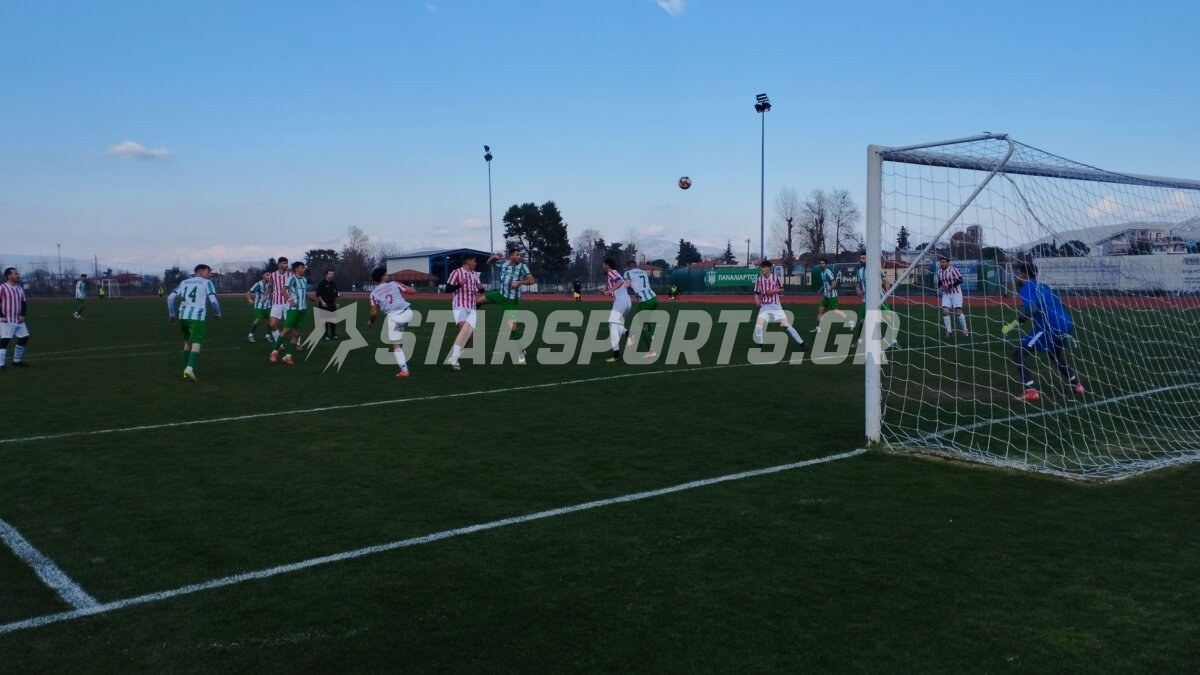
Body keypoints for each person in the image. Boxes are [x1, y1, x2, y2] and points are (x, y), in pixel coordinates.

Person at [1003, 262, 1084, 403]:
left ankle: (1031, 391)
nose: (1016, 276)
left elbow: (1031, 309)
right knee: (1055, 354)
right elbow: (1062, 304)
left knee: (1019, 352)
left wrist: (1013, 325)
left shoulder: (1027, 287)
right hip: (1067, 323)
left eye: (1018, 273)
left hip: (1051, 325)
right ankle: (1077, 385)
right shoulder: (1043, 286)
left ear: (1024, 275)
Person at [167, 264, 222, 382]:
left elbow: (170, 298)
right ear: (201, 272)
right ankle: (189, 369)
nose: (209, 274)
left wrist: (172, 314)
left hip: (183, 316)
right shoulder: (207, 283)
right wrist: (218, 313)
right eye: (208, 271)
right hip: (197, 317)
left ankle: (186, 369)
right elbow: (213, 301)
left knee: (187, 342)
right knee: (196, 342)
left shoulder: (184, 282)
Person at [480, 248, 535, 365]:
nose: (519, 256)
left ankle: (521, 349)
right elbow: (489, 263)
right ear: (511, 256)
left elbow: (531, 280)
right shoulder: (503, 263)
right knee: (477, 302)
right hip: (500, 295)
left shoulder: (522, 267)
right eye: (517, 255)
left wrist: (519, 282)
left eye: (520, 255)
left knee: (512, 328)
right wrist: (494, 257)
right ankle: (469, 320)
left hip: (511, 301)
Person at [368, 267, 416, 378]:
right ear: (383, 276)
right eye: (386, 274)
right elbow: (412, 291)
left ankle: (404, 371)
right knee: (399, 329)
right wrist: (410, 287)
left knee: (396, 345)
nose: (387, 275)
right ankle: (400, 330)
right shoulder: (394, 284)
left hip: (394, 317)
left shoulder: (373, 293)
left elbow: (374, 313)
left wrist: (371, 322)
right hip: (408, 313)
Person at [753, 260, 806, 349]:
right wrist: (757, 300)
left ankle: (801, 342)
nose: (762, 269)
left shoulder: (775, 278)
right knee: (758, 326)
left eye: (763, 267)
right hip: (765, 306)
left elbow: (782, 289)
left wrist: (773, 291)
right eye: (761, 267)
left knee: (785, 325)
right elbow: (756, 292)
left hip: (775, 305)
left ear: (769, 268)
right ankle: (760, 344)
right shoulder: (759, 279)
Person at [444, 256, 484, 370]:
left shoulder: (475, 274)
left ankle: (454, 357)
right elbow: (447, 289)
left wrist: (481, 288)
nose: (475, 263)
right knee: (464, 330)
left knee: (470, 335)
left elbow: (481, 290)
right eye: (474, 261)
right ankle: (454, 358)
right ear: (468, 261)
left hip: (472, 307)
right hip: (459, 305)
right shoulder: (456, 273)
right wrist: (459, 285)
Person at [270, 261, 310, 365]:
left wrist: (310, 298)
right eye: (302, 267)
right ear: (296, 269)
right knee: (286, 330)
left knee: (297, 333)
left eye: (304, 267)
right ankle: (274, 352)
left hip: (303, 309)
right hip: (293, 309)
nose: (304, 269)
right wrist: (290, 300)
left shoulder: (304, 279)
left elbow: (303, 293)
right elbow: (283, 291)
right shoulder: (291, 278)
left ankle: (288, 356)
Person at [623, 260, 659, 357]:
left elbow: (627, 284)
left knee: (643, 327)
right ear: (635, 265)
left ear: (628, 266)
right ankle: (652, 336)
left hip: (645, 301)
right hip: (654, 299)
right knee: (646, 320)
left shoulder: (627, 273)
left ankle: (651, 351)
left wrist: (617, 287)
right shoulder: (643, 272)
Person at [0, 268, 31, 369]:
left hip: (18, 320)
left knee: (24, 338)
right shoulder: (2, 288)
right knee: (5, 340)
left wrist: (22, 315)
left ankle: (16, 361)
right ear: (9, 276)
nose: (18, 275)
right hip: (6, 320)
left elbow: (23, 302)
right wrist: (1, 316)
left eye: (18, 274)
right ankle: (1, 364)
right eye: (15, 274)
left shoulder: (19, 288)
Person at [601, 258, 630, 362]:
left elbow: (620, 282)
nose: (602, 267)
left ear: (607, 265)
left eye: (603, 265)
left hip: (621, 302)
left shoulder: (611, 272)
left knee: (612, 324)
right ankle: (617, 354)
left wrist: (610, 291)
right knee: (615, 326)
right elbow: (620, 285)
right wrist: (607, 291)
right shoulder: (616, 273)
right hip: (627, 302)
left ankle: (628, 335)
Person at [937, 255, 969, 337]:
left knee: (958, 312)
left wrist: (950, 286)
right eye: (941, 262)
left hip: (956, 293)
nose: (942, 264)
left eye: (943, 262)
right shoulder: (939, 272)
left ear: (948, 262)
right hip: (946, 294)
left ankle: (965, 330)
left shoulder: (953, 270)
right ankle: (949, 332)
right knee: (945, 312)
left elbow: (960, 280)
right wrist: (940, 286)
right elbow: (940, 282)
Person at [266, 257, 293, 350]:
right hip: (276, 303)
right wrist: (265, 296)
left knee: (290, 325)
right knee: (272, 324)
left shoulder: (290, 275)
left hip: (288, 303)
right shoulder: (273, 275)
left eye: (287, 263)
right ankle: (280, 345)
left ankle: (297, 343)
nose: (286, 265)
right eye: (284, 263)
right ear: (279, 264)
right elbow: (269, 286)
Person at [814, 258, 843, 332]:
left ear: (826, 265)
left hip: (832, 296)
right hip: (826, 296)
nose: (821, 265)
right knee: (820, 310)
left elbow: (834, 284)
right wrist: (820, 289)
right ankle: (818, 328)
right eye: (820, 263)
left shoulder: (828, 272)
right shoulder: (822, 272)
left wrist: (827, 292)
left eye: (823, 263)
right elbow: (825, 283)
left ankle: (849, 321)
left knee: (836, 312)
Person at [245, 270, 272, 342]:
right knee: (258, 319)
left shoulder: (270, 284)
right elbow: (248, 293)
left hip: (268, 306)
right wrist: (250, 300)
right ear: (263, 276)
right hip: (259, 305)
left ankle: (268, 335)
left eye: (270, 275)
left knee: (270, 320)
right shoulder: (258, 284)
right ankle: (250, 335)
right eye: (267, 275)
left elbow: (270, 294)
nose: (269, 276)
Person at [315, 269, 340, 340]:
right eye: (330, 274)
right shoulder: (322, 284)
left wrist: (336, 303)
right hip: (324, 305)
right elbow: (318, 294)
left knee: (333, 320)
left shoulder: (334, 283)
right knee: (326, 320)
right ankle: (326, 335)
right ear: (326, 275)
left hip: (332, 304)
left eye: (333, 274)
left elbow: (335, 294)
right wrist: (322, 302)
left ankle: (333, 334)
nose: (332, 275)